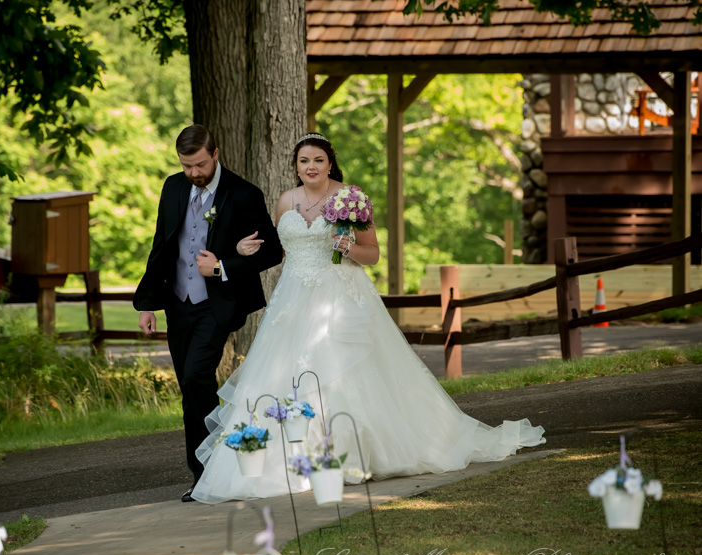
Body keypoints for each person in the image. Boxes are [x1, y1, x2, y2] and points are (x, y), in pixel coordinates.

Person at [190, 133, 545, 504]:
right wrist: (240, 250)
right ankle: (293, 461)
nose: (310, 168)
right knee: (287, 375)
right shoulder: (286, 201)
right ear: (295, 166)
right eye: (303, 162)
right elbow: (280, 252)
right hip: (293, 299)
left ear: (330, 163)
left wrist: (349, 248)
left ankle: (352, 456)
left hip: (340, 295)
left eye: (318, 161)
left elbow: (372, 253)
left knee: (344, 370)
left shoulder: (351, 198)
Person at [134, 124, 283, 502]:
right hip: (176, 303)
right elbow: (162, 244)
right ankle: (215, 465)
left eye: (199, 165)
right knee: (190, 386)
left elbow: (271, 252)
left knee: (197, 374)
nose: (193, 173)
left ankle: (205, 475)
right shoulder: (173, 187)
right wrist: (149, 303)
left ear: (215, 155)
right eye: (186, 166)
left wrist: (223, 266)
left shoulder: (245, 194)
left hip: (217, 305)